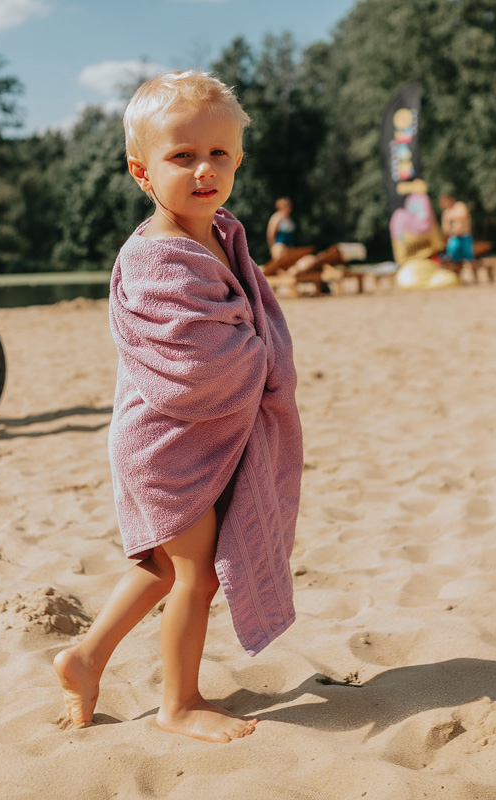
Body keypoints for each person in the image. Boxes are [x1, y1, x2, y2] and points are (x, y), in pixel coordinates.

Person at [53, 71, 303, 743]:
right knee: (195, 575)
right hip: (163, 444)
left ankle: (85, 658)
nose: (204, 169)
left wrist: (253, 348)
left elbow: (238, 322)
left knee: (161, 567)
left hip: (182, 438)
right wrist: (262, 356)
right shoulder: (156, 259)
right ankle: (179, 703)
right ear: (142, 171)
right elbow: (194, 367)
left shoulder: (218, 232)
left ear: (239, 159)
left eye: (218, 153)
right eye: (182, 155)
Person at [266, 196, 296, 261]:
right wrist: (272, 247)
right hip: (279, 246)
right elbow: (270, 234)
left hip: (289, 246)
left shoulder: (288, 218)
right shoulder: (276, 217)